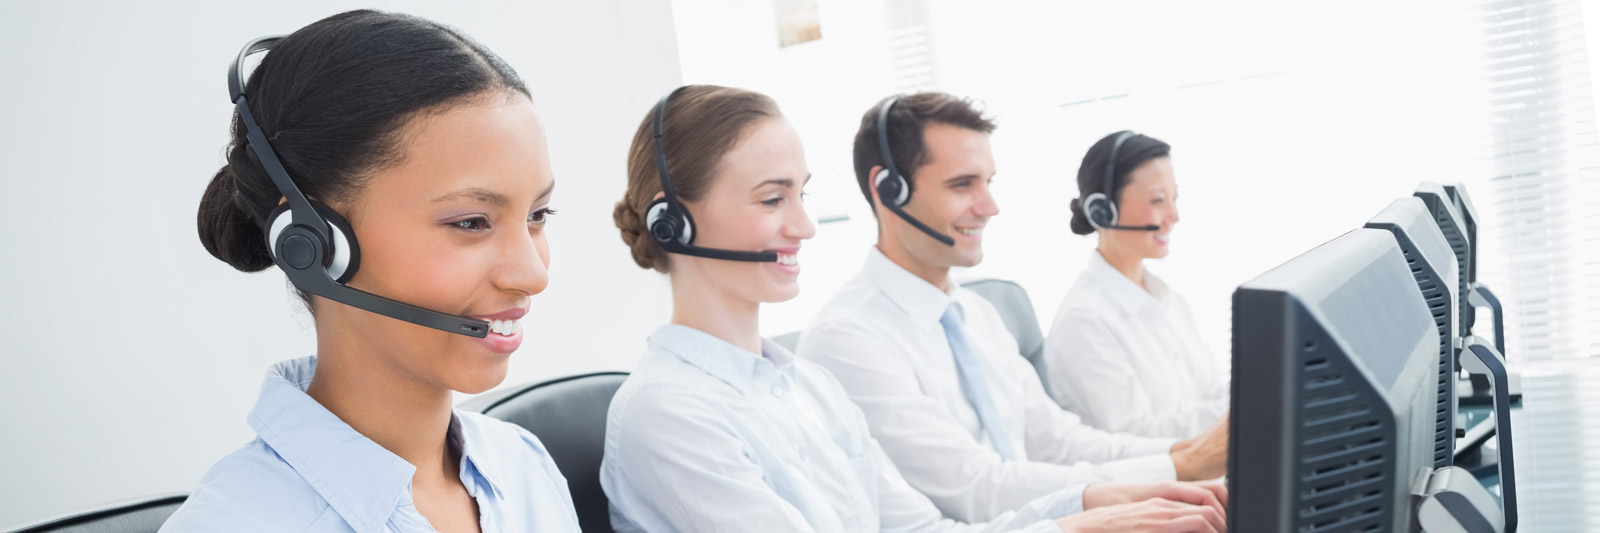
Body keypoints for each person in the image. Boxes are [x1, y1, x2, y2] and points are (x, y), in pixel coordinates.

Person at [600, 85, 1228, 533]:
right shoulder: (671, 414)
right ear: (673, 219)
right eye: (772, 200)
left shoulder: (809, 386)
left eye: (803, 195)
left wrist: (1101, 502)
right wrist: (1078, 523)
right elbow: (975, 488)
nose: (805, 226)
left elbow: (922, 525)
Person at [162, 10, 579, 531]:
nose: (533, 275)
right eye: (472, 222)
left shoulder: (525, 467)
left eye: (537, 215)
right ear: (312, 243)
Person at [798, 94, 1230, 523]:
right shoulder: (847, 339)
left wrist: (1186, 455)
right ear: (889, 191)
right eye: (962, 184)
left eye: (989, 182)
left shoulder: (977, 313)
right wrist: (1183, 466)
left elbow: (1059, 442)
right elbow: (979, 488)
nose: (990, 207)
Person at [1042, 131, 1228, 439]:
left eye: (1174, 198)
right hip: (1155, 483)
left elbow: (1211, 392)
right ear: (1104, 210)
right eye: (1158, 200)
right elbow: (1139, 436)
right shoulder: (1085, 320)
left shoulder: (1168, 299)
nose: (1174, 216)